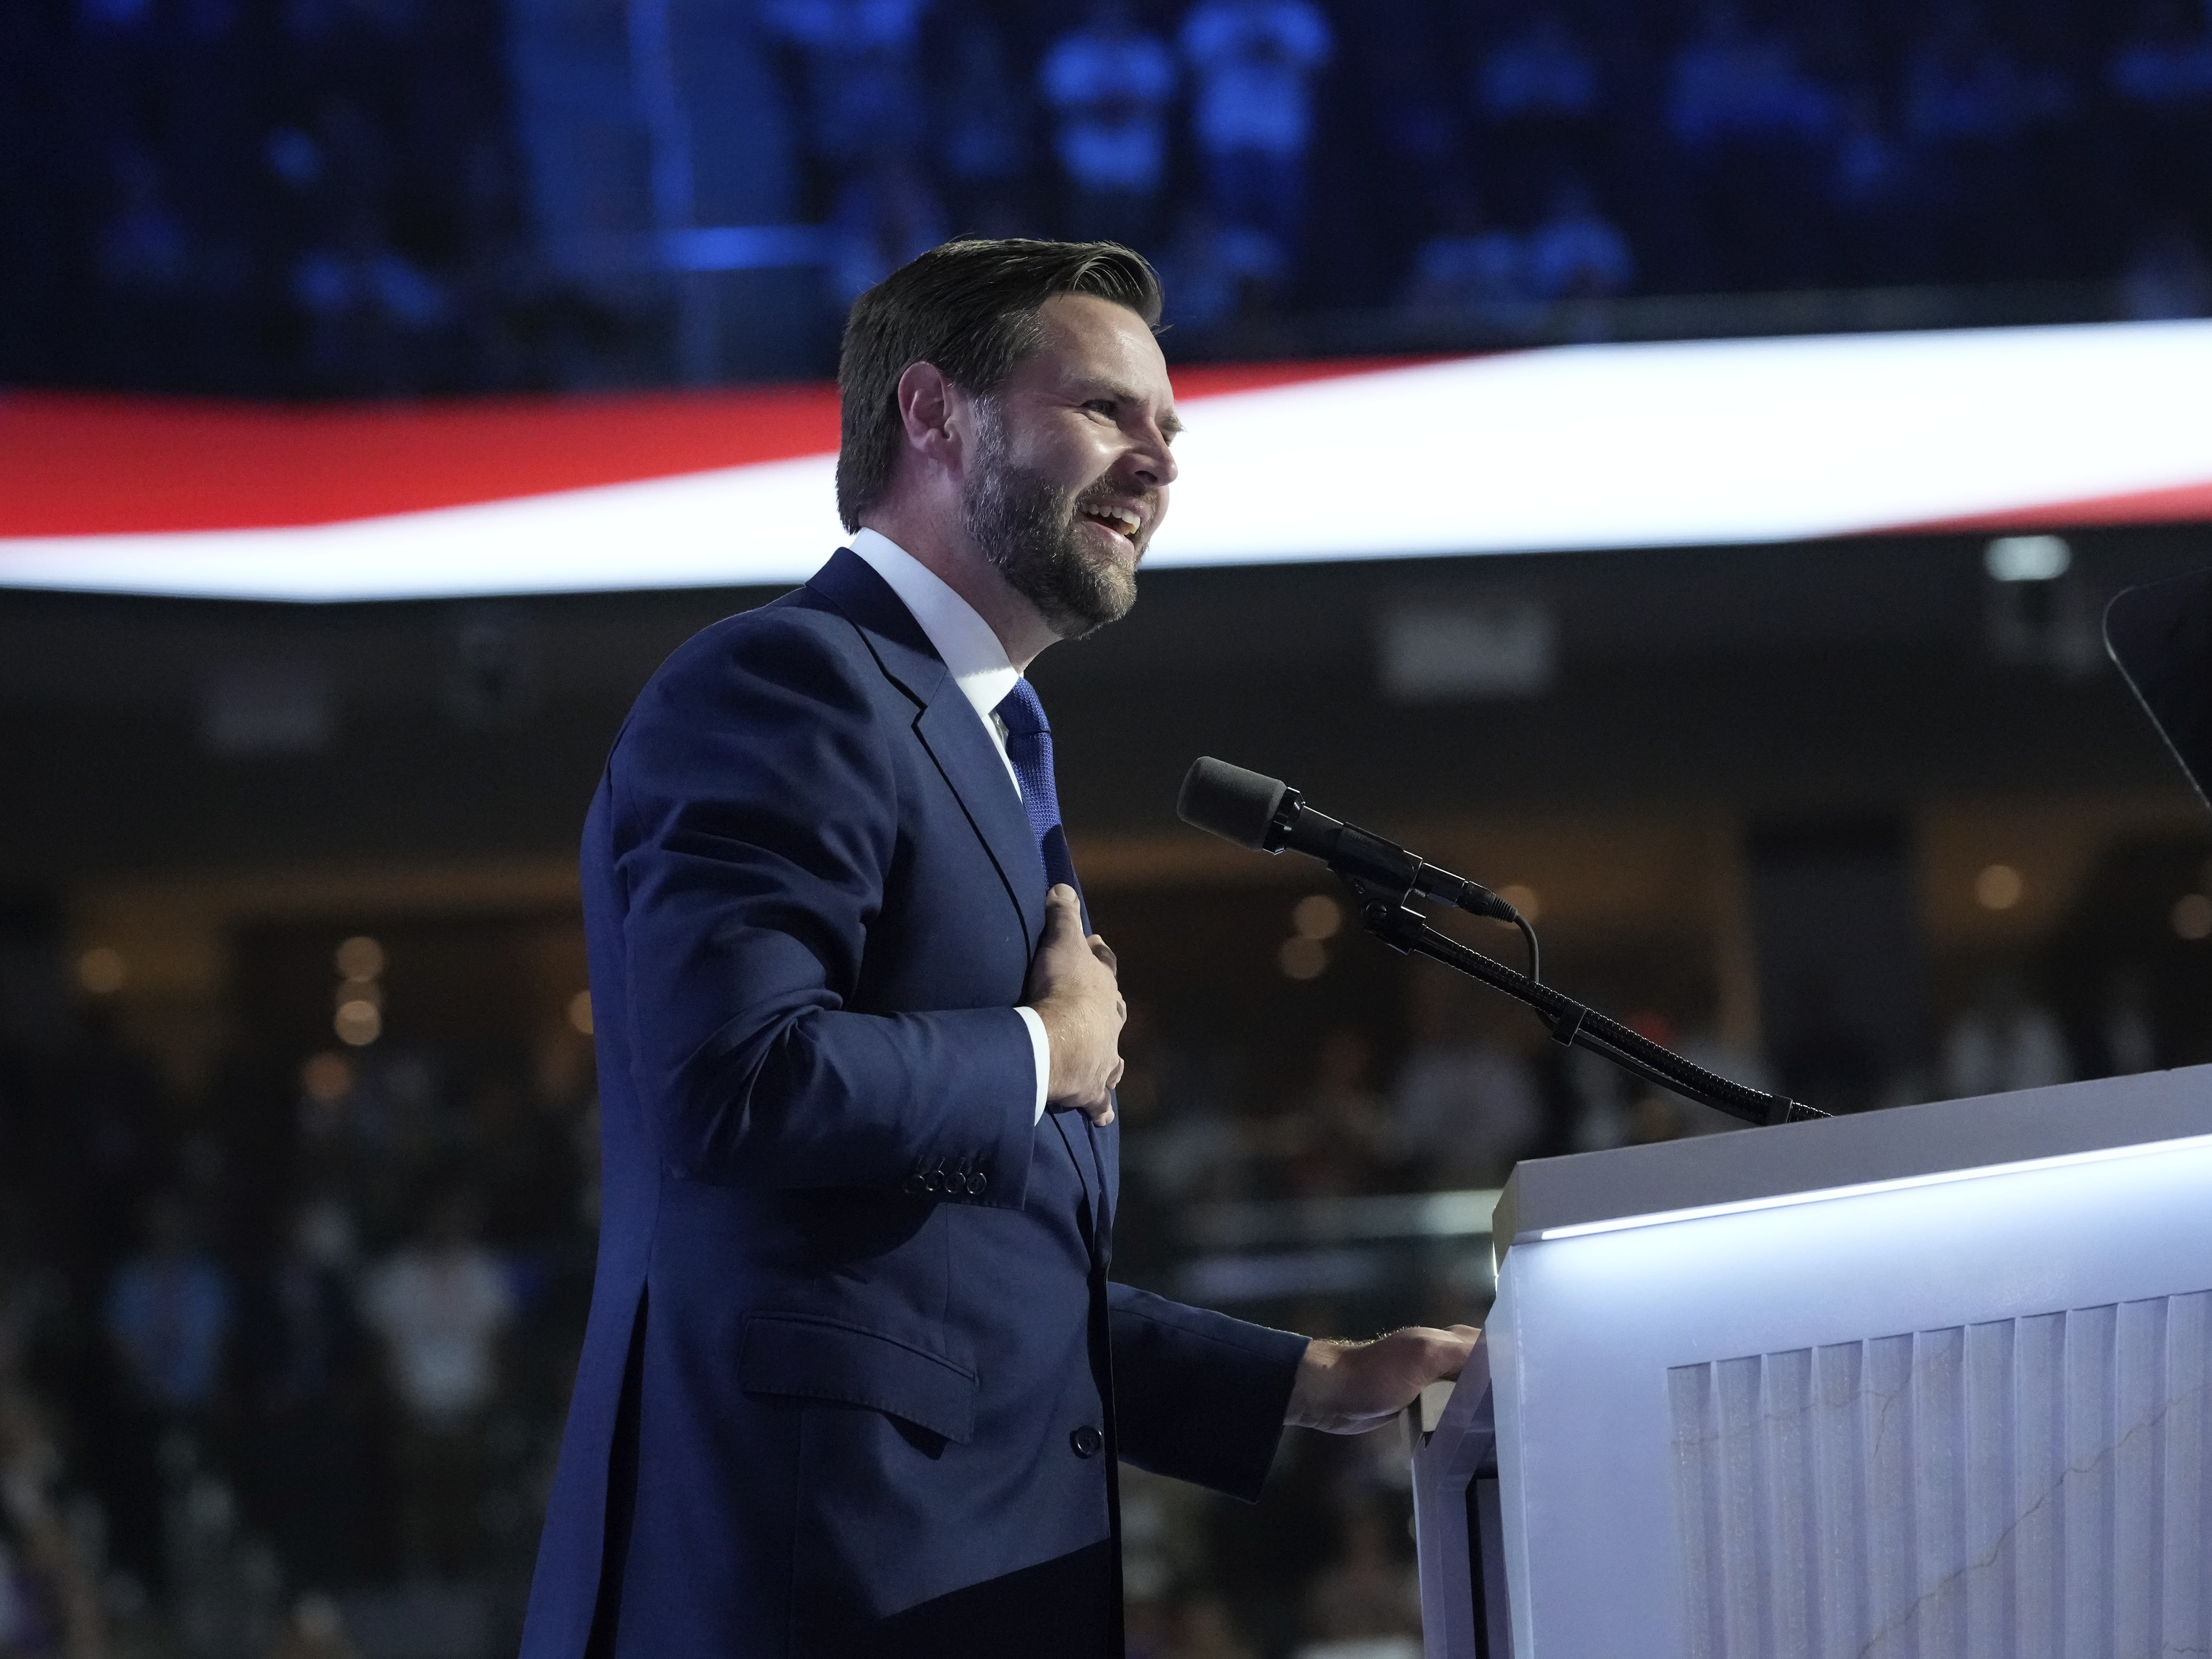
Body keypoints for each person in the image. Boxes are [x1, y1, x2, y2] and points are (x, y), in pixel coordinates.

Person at [517, 238, 1476, 1658]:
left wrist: (1307, 1379)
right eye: (1104, 410)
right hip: (804, 1593)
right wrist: (1050, 1047)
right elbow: (734, 1082)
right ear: (931, 414)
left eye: (1168, 429)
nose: (1158, 464)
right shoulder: (786, 683)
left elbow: (965, 1281)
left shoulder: (985, 737)